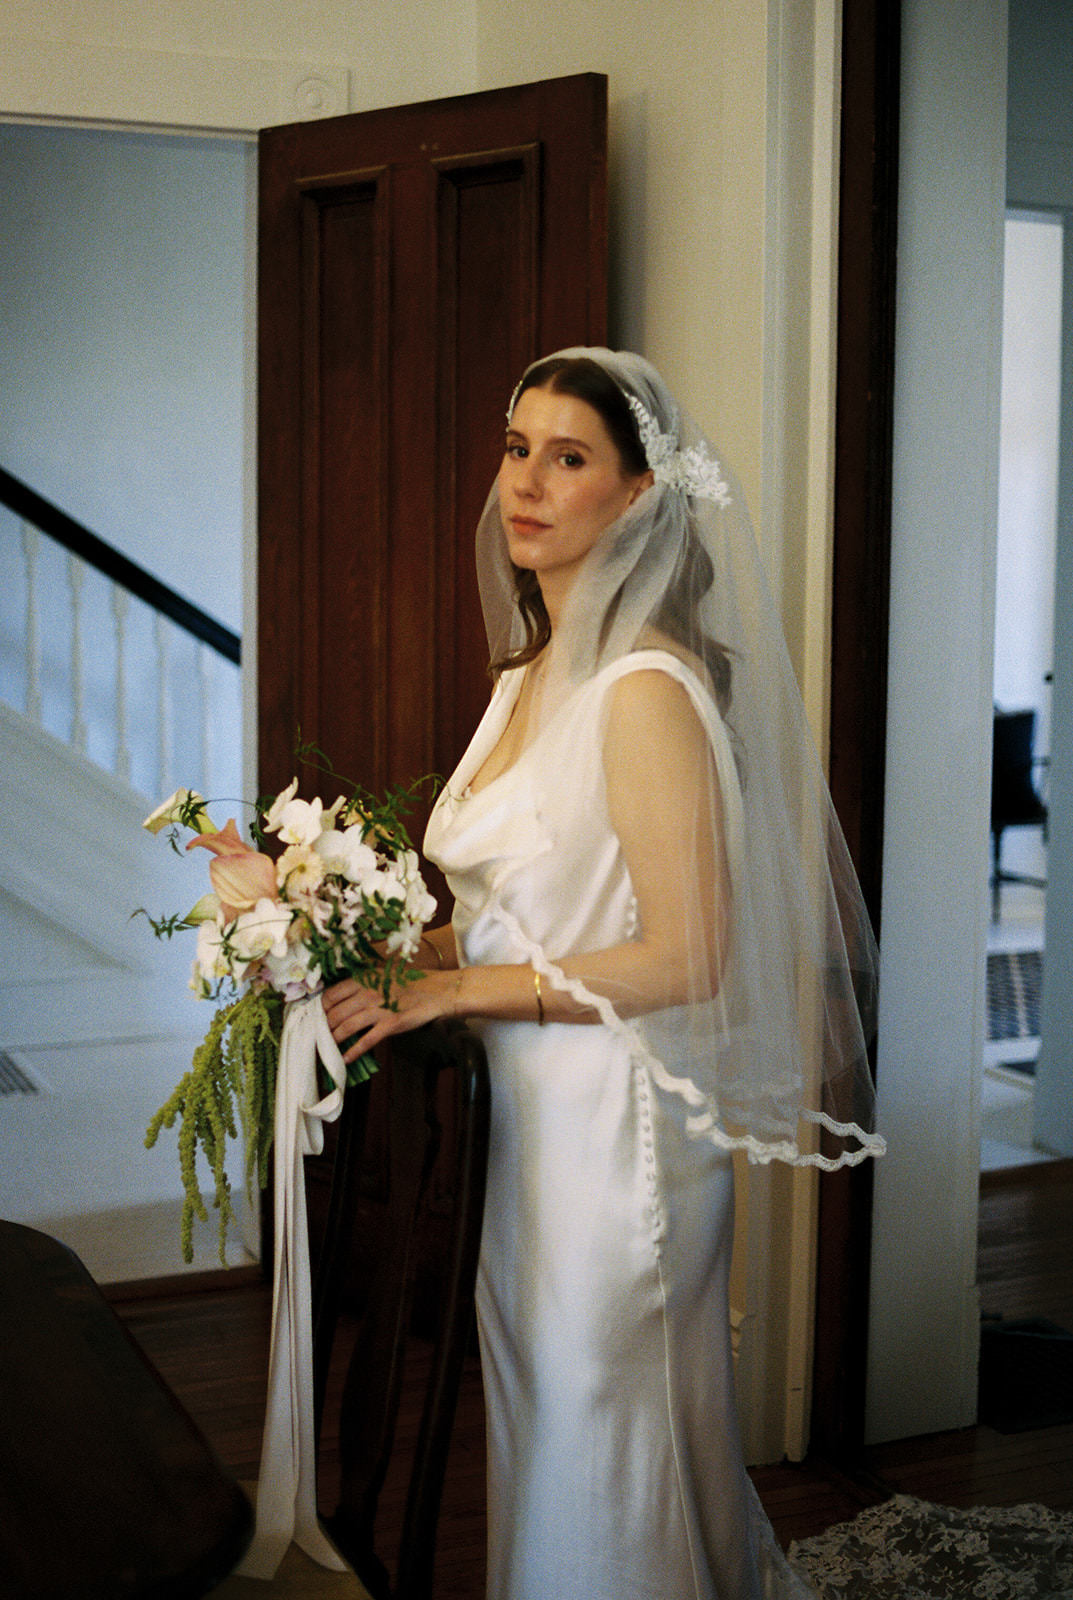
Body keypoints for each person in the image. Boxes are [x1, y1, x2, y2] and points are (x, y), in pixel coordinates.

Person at [324, 348, 885, 1599]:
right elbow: (519, 911)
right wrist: (345, 941)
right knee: (548, 1429)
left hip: (614, 1146)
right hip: (525, 1137)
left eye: (566, 457)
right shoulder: (527, 674)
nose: (524, 482)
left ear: (635, 496)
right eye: (516, 446)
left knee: (598, 1437)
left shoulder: (645, 692)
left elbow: (689, 953)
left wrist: (456, 991)